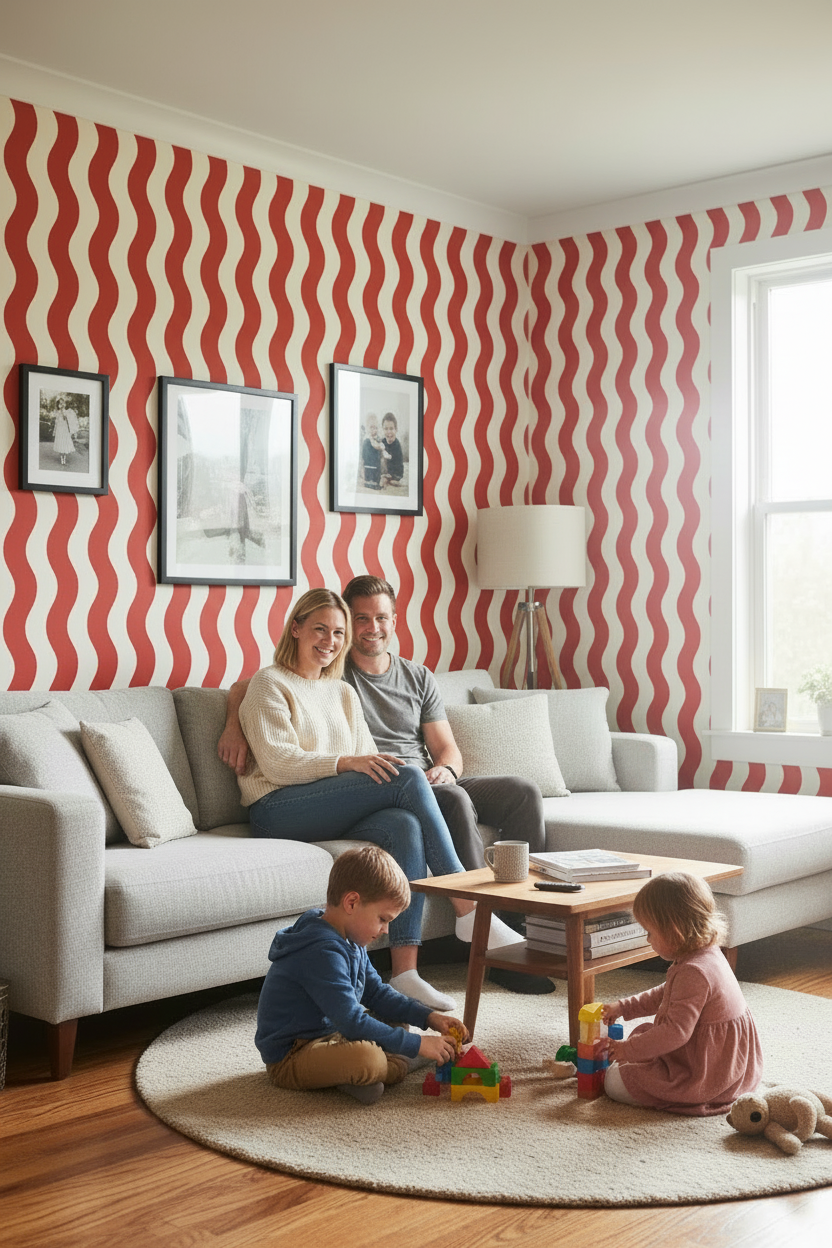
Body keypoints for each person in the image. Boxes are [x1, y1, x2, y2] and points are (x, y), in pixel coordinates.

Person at [234, 586, 519, 1014]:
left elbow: (372, 757)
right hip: (277, 809)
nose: (329, 641)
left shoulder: (342, 693)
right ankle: (468, 906)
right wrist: (347, 762)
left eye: (336, 633)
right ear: (295, 628)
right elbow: (278, 764)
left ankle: (405, 974)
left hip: (326, 806)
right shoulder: (269, 683)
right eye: (318, 630)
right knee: (406, 778)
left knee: (404, 824)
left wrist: (361, 763)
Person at [256, 845, 467, 1104]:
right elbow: (352, 1022)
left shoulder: (351, 940)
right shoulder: (321, 951)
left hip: (334, 1034)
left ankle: (357, 1078)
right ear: (352, 902)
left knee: (397, 1019)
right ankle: (392, 1065)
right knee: (369, 1059)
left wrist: (429, 1017)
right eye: (382, 919)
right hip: (293, 1055)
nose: (386, 931)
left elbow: (377, 993)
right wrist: (417, 1045)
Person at [601, 873, 763, 1115]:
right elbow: (667, 994)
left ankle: (686, 1091)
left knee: (614, 1082)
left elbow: (674, 1033)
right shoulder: (706, 953)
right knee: (639, 1046)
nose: (648, 939)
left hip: (706, 1073)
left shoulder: (694, 971)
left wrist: (627, 1050)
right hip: (722, 1061)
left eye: (650, 932)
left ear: (673, 931)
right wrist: (624, 1007)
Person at [379, 413, 404, 488]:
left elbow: (398, 464)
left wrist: (389, 475)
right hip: (385, 471)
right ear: (383, 429)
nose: (389, 432)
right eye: (386, 429)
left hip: (395, 472)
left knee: (390, 480)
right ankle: (386, 479)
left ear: (396, 429)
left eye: (391, 428)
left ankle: (390, 480)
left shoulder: (396, 445)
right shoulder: (382, 442)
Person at [52, 395, 79, 467]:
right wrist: (54, 431)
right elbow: (56, 422)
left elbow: (65, 419)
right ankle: (62, 458)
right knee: (61, 443)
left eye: (62, 403)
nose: (61, 405)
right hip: (59, 429)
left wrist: (63, 411)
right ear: (58, 404)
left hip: (64, 429)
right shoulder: (57, 412)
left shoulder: (66, 412)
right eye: (60, 403)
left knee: (65, 443)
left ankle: (64, 457)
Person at [360, 415, 384, 489]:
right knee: (367, 474)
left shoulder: (378, 439)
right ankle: (368, 481)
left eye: (375, 427)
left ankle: (376, 481)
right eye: (371, 427)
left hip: (376, 465)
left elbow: (380, 449)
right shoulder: (366, 440)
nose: (374, 430)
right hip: (368, 464)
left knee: (376, 474)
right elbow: (363, 455)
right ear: (367, 428)